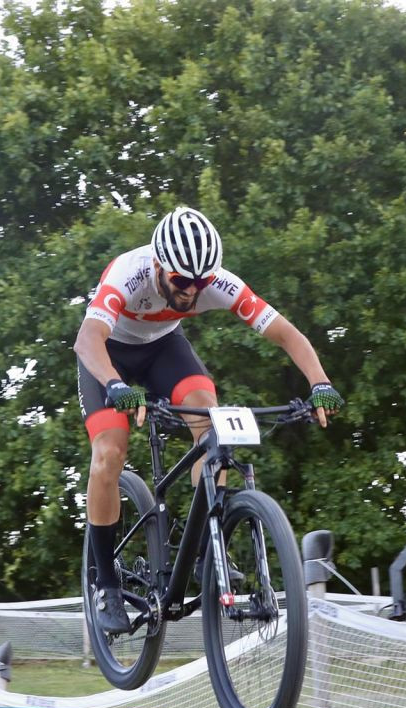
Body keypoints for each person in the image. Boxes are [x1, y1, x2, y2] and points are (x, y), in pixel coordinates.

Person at [74, 206, 343, 631]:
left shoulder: (212, 281)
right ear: (160, 267)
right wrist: (113, 385)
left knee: (210, 421)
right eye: (182, 283)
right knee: (110, 451)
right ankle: (105, 582)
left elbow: (286, 333)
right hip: (109, 357)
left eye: (201, 284)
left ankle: (207, 551)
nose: (191, 293)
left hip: (164, 348)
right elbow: (88, 339)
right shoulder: (129, 273)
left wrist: (320, 383)